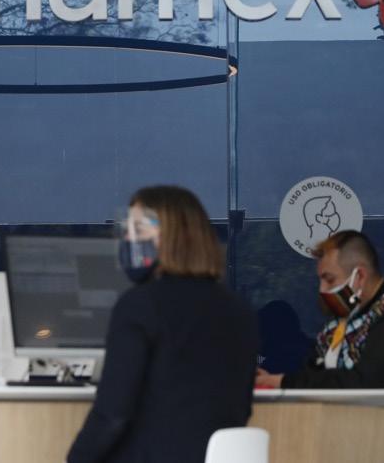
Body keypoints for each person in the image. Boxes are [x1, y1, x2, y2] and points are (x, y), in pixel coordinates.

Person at [67, 186, 259, 463]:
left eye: (139, 229)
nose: (129, 239)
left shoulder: (140, 305)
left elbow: (112, 414)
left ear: (174, 236)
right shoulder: (240, 311)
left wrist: (75, 459)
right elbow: (241, 408)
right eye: (127, 230)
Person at [255, 230, 384, 429]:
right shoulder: (338, 325)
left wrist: (283, 382)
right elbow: (312, 374)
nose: (322, 289)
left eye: (329, 280)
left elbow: (368, 383)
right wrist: (271, 380)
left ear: (359, 276)